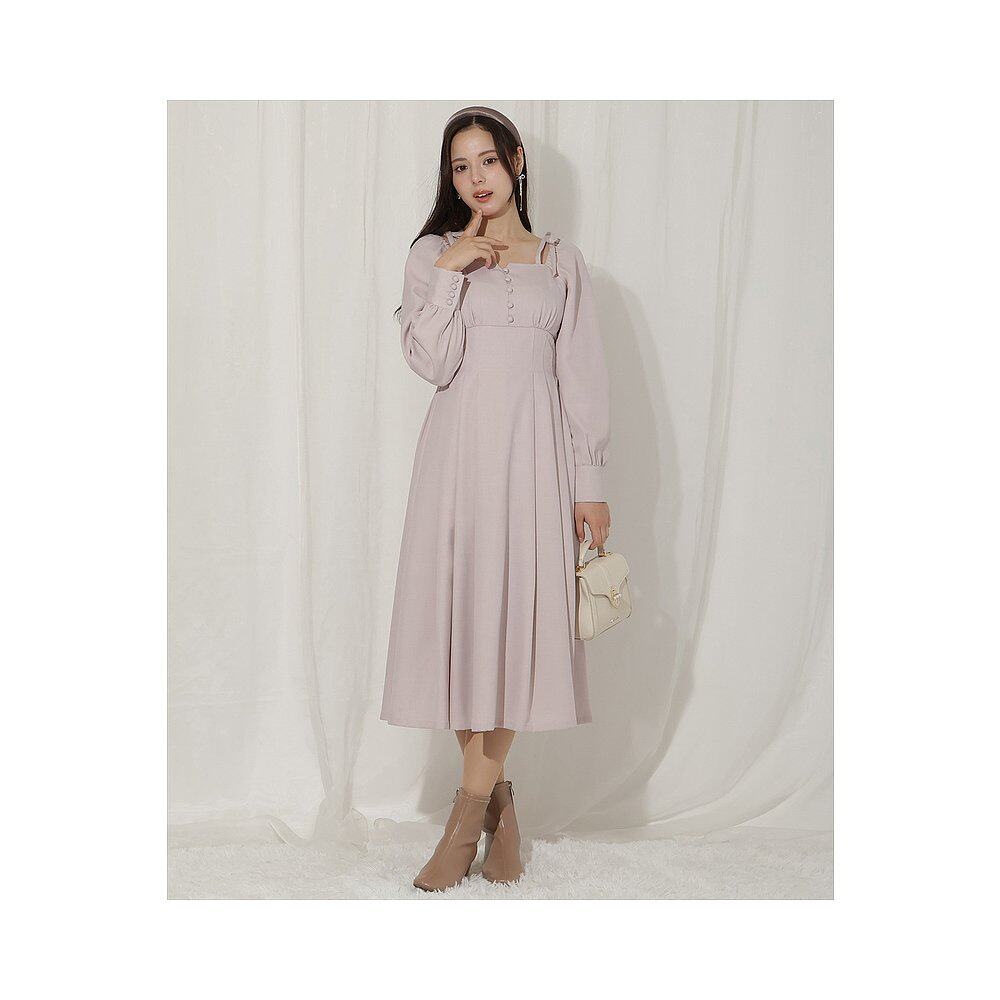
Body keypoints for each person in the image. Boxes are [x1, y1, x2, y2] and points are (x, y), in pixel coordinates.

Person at [380, 105, 612, 891]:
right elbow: (431, 363)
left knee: (517, 626)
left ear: (516, 161)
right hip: (456, 461)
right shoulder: (433, 254)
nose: (476, 178)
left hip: (539, 462)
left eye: (487, 160)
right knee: (465, 625)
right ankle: (497, 812)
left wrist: (591, 482)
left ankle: (465, 821)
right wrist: (451, 272)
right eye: (460, 167)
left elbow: (581, 376)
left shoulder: (561, 262)